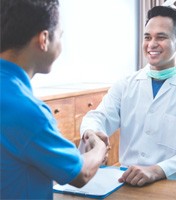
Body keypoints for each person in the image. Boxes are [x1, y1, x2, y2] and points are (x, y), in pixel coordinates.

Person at [80, 6, 176, 186]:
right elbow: (99, 117)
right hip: (127, 180)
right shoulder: (125, 85)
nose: (151, 44)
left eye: (161, 37)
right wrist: (91, 133)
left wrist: (156, 171)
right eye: (147, 37)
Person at [0, 0, 109, 199]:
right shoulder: (27, 110)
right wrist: (100, 147)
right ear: (44, 39)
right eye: (60, 36)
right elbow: (81, 174)